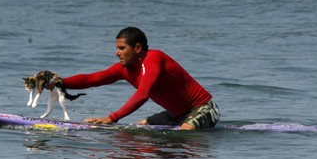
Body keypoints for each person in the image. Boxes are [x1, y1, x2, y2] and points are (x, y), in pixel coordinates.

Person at [62, 27, 220, 130]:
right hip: (175, 113)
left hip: (202, 108)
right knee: (138, 129)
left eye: (122, 48)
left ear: (137, 48)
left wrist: (113, 118)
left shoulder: (154, 58)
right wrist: (58, 82)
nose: (117, 53)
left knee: (184, 133)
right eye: (117, 48)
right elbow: (92, 79)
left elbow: (143, 93)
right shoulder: (124, 69)